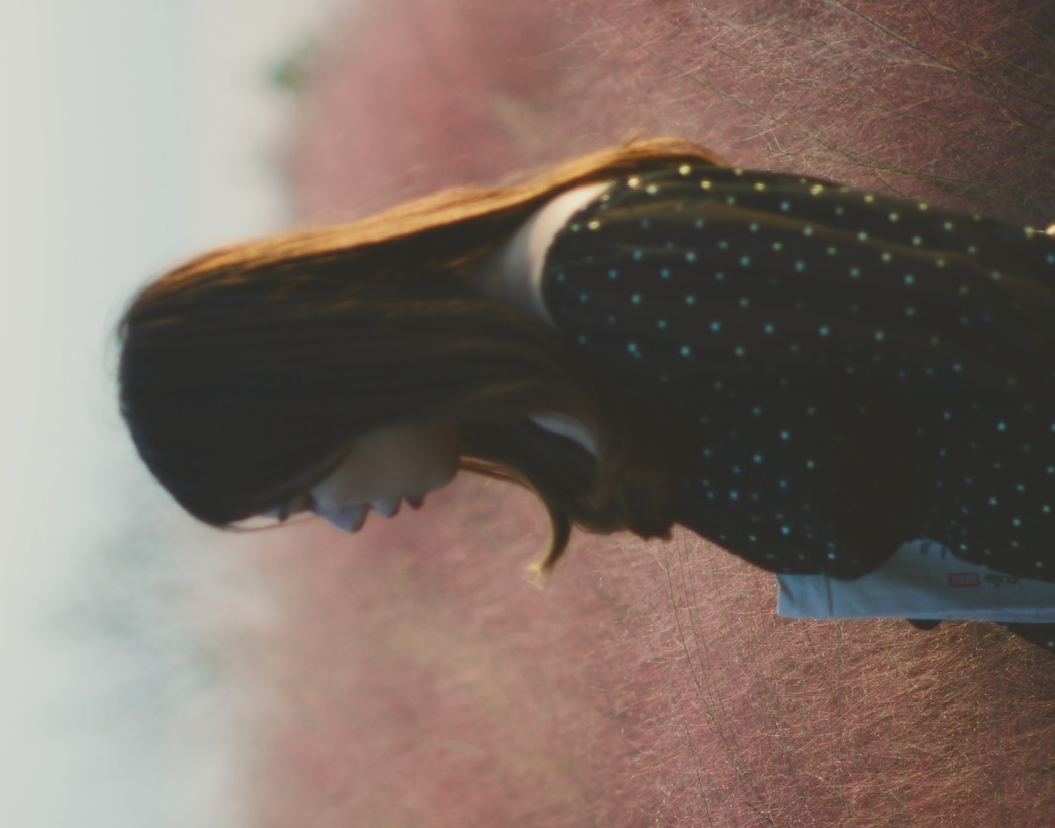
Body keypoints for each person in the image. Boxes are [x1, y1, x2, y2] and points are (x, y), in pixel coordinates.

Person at [116, 137, 1055, 602]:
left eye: (304, 493)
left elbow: (1000, 319)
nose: (344, 521)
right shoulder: (546, 414)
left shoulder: (608, 274)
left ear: (317, 389)